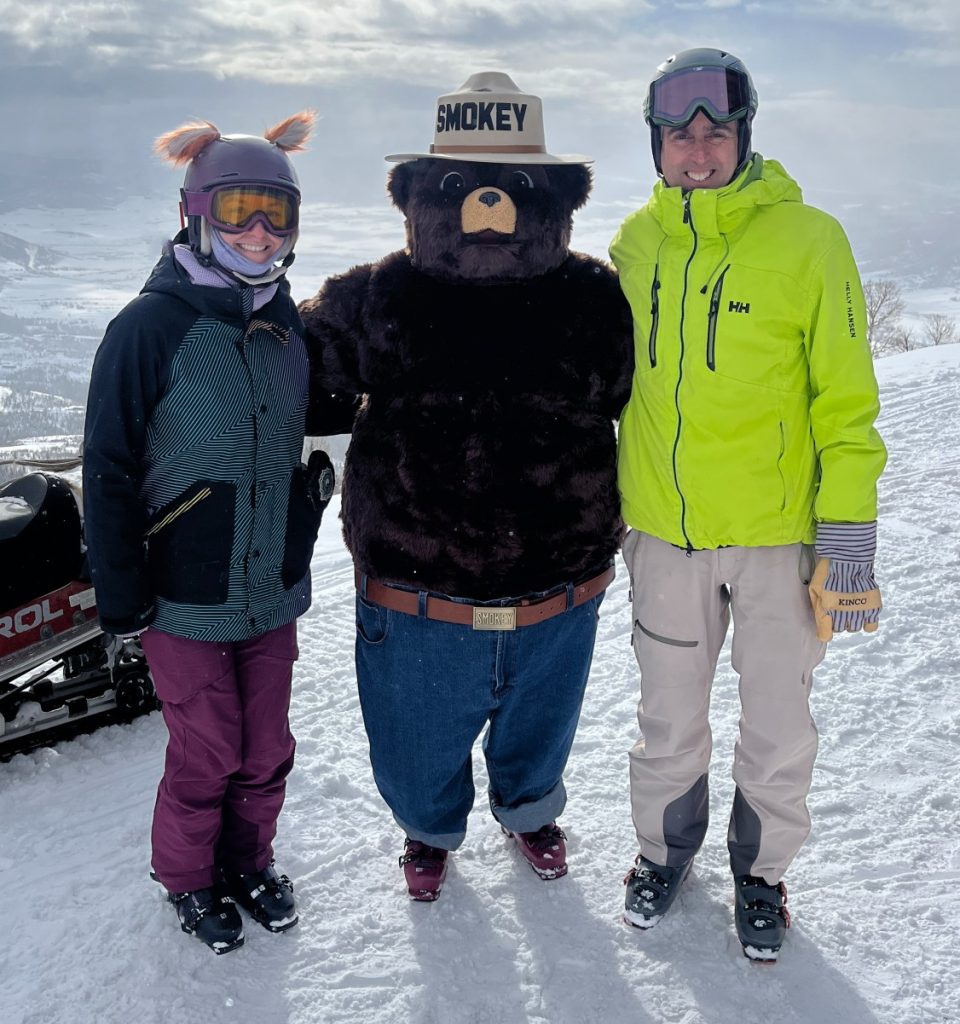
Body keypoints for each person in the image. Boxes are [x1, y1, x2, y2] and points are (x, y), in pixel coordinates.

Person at [299, 72, 634, 901]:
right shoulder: (381, 296)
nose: (489, 205)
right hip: (416, 592)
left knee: (541, 728)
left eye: (516, 185)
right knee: (414, 736)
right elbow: (298, 377)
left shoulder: (592, 300)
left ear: (555, 199)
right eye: (458, 185)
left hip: (560, 586)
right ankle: (429, 826)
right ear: (417, 198)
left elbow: (653, 405)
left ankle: (528, 810)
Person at [610, 48, 887, 962]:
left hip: (776, 543)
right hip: (666, 537)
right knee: (667, 716)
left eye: (715, 131)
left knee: (777, 719)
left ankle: (762, 873)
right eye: (679, 134)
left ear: (743, 138)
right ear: (655, 144)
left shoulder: (811, 240)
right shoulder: (633, 245)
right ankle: (663, 853)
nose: (698, 149)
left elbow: (846, 407)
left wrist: (846, 548)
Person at [82, 112, 353, 954]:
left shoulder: (285, 325)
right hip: (181, 595)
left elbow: (309, 431)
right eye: (238, 209)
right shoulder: (148, 328)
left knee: (266, 745)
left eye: (277, 212)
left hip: (270, 588)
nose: (259, 231)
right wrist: (123, 595)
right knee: (209, 750)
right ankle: (189, 877)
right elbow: (108, 468)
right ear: (194, 212)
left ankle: (250, 861)